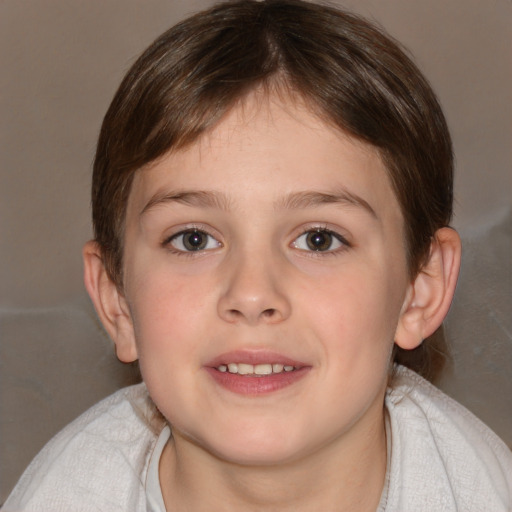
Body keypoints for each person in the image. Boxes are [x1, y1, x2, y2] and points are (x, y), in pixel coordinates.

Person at [3, 0, 511, 510]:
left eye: (319, 239)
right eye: (194, 239)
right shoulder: (64, 495)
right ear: (116, 300)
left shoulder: (481, 492)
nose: (251, 294)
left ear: (420, 288)